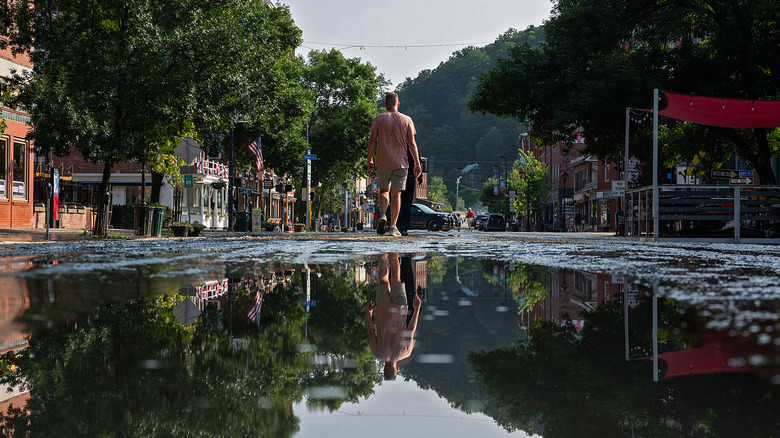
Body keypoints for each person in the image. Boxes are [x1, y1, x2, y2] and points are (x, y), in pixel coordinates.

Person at [368, 92, 422, 237]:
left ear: (386, 104)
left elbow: (372, 140)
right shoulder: (407, 119)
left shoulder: (379, 118)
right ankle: (393, 227)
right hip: (401, 163)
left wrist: (370, 159)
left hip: (383, 160)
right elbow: (412, 144)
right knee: (396, 194)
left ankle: (384, 215)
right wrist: (417, 162)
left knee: (384, 191)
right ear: (398, 104)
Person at [366, 253, 422, 380]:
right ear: (384, 368)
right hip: (382, 312)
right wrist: (368, 314)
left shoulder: (406, 353)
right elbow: (371, 331)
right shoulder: (377, 353)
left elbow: (411, 329)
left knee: (396, 280)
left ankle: (394, 256)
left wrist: (416, 309)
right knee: (383, 282)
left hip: (400, 311)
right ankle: (382, 259)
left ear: (396, 368)